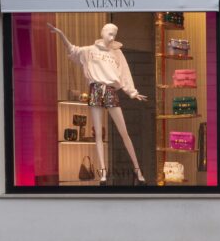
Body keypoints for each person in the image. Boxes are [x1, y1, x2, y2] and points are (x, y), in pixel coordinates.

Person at [47, 22, 148, 185]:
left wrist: (132, 92)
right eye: (110, 33)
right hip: (95, 89)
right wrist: (60, 34)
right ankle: (102, 174)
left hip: (110, 90)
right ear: (103, 33)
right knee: (98, 135)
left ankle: (138, 171)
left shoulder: (117, 53)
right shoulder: (89, 51)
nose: (112, 36)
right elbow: (72, 49)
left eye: (114, 34)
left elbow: (124, 73)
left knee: (124, 132)